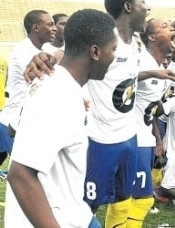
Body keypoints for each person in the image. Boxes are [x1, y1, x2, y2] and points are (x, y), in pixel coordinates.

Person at [4, 9, 117, 228]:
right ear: (95, 52)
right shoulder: (58, 95)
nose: (113, 57)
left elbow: (13, 129)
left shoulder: (57, 82)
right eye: (112, 50)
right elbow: (20, 175)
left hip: (74, 212)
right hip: (56, 220)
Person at [129, 17, 175, 226]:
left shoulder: (160, 66)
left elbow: (151, 111)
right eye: (166, 26)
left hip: (145, 138)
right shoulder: (141, 61)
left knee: (131, 197)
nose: (173, 28)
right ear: (152, 37)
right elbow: (119, 81)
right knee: (141, 198)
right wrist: (151, 73)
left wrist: (157, 139)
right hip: (132, 138)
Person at [0, 10, 56, 157]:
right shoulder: (24, 50)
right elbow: (38, 77)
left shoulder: (41, 50)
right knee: (25, 172)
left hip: (21, 119)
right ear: (36, 27)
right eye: (50, 24)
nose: (54, 28)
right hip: (14, 121)